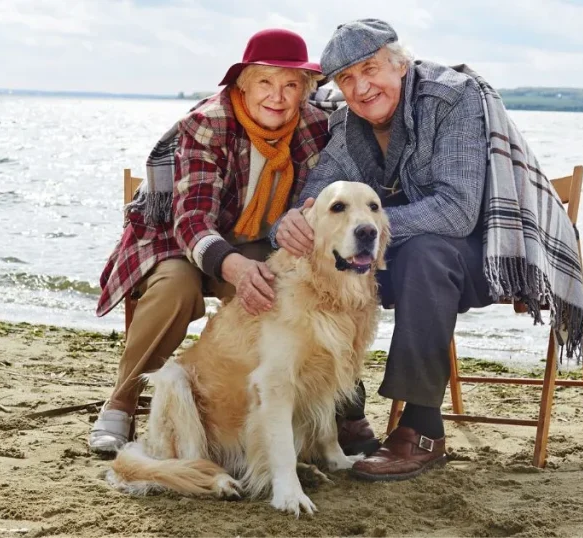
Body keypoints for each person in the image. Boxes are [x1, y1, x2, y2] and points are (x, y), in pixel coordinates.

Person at [272, 19, 583, 481]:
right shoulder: (347, 123)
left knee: (420, 252)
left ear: (399, 64)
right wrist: (292, 223)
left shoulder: (452, 98)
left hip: (483, 254)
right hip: (401, 255)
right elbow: (317, 194)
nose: (360, 88)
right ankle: (346, 407)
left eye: (370, 69)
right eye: (346, 79)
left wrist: (359, 228)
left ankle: (422, 428)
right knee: (326, 262)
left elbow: (457, 211)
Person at [91, 28, 379, 457]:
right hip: (182, 241)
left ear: (305, 91)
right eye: (265, 82)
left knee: (318, 283)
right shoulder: (207, 124)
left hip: (263, 244)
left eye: (290, 85)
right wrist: (235, 268)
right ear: (243, 84)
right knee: (175, 287)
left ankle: (343, 408)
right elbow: (190, 222)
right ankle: (122, 402)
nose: (277, 97)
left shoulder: (317, 127)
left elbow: (353, 127)